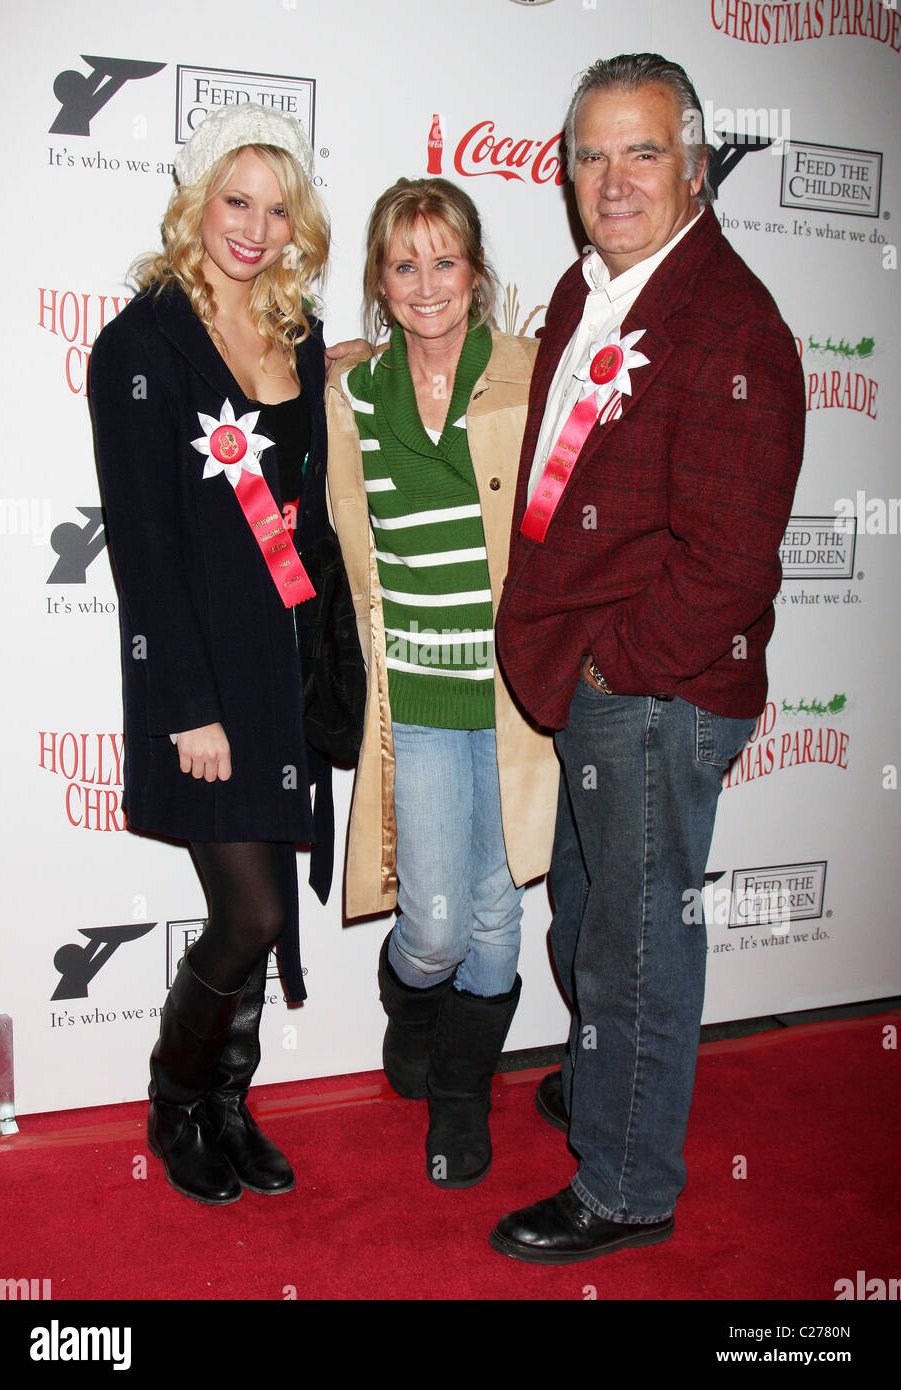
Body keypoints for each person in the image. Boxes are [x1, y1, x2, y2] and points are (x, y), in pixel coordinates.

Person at [491, 54, 805, 1262]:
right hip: (588, 673)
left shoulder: (729, 320)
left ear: (695, 165)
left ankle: (628, 1184)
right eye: (591, 155)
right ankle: (610, 1070)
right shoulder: (587, 294)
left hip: (654, 689)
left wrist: (621, 669)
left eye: (643, 152)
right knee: (585, 917)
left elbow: (731, 562)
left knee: (632, 944)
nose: (613, 179)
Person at [89, 104, 333, 1206]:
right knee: (254, 916)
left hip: (281, 664)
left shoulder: (299, 331)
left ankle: (233, 1103)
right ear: (196, 202)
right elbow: (142, 544)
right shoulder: (141, 344)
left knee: (270, 898)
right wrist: (188, 704)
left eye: (279, 207)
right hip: (201, 679)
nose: (258, 228)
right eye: (238, 200)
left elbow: (310, 512)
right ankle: (178, 1094)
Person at [326, 178, 559, 1188]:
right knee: (430, 926)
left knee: (499, 917)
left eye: (446, 261)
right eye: (404, 264)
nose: (428, 285)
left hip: (510, 698)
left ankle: (463, 1101)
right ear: (380, 280)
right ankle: (409, 999)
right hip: (415, 695)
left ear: (477, 272)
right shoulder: (355, 393)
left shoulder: (528, 372)